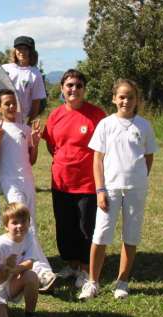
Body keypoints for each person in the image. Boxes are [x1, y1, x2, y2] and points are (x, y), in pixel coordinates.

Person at [79, 79, 158, 300]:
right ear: (114, 99)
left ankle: (122, 281)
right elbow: (97, 160)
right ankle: (92, 282)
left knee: (131, 235)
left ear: (137, 100)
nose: (126, 101)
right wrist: (100, 189)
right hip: (109, 189)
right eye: (121, 96)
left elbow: (148, 157)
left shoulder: (144, 126)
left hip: (135, 189)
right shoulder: (105, 124)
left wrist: (139, 178)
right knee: (101, 234)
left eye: (130, 97)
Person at [42, 69, 106, 289]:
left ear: (84, 89)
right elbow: (52, 145)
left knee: (86, 228)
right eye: (69, 85)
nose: (74, 89)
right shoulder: (55, 115)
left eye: (78, 85)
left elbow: (104, 149)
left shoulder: (97, 115)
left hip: (88, 183)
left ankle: (87, 271)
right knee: (65, 227)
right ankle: (71, 265)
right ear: (62, 88)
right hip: (61, 182)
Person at [0, 89, 57, 291]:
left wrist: (35, 144)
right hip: (10, 182)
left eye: (14, 103)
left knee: (31, 225)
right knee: (22, 222)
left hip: (27, 181)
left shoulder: (24, 129)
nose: (12, 107)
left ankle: (29, 266)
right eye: (7, 104)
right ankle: (42, 272)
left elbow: (31, 159)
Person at [2, 36, 46, 125]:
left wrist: (29, 124)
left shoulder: (35, 73)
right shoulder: (4, 69)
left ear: (31, 52)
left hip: (21, 122)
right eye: (19, 49)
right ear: (15, 51)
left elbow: (36, 102)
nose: (22, 52)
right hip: (3, 121)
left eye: (25, 49)